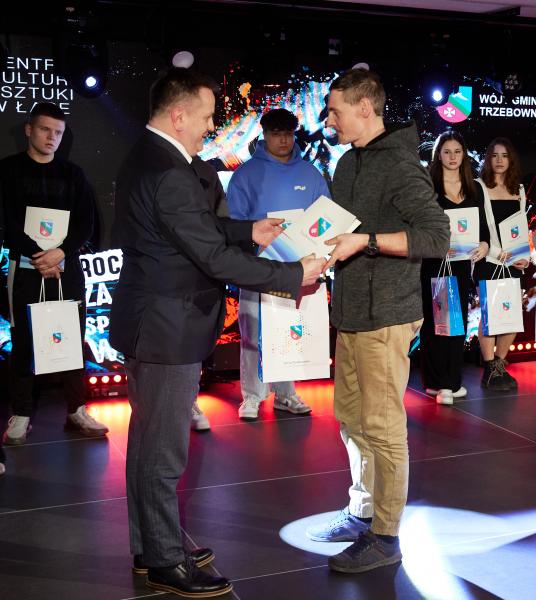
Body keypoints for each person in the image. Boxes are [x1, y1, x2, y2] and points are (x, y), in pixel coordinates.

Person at [110, 68, 324, 597]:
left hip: (154, 323)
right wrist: (292, 274)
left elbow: (196, 230)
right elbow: (210, 255)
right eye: (207, 117)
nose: (211, 126)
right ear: (179, 115)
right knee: (162, 455)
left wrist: (249, 230)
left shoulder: (152, 157)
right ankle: (166, 561)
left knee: (149, 447)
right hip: (166, 328)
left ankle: (152, 547)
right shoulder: (169, 171)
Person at [306, 68, 449, 573]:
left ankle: (386, 536)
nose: (329, 120)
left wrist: (366, 242)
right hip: (350, 313)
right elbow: (337, 230)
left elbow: (436, 237)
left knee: (384, 427)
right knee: (351, 418)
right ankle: (362, 511)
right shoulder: (348, 162)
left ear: (365, 108)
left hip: (386, 316)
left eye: (335, 110)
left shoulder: (401, 165)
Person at [0, 102, 109, 446]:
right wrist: (39, 255)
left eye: (58, 132)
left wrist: (60, 253)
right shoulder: (7, 170)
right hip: (25, 268)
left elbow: (86, 223)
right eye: (45, 129)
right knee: (22, 341)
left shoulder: (73, 174)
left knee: (72, 338)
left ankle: (77, 410)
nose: (51, 137)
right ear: (29, 130)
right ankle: (21, 414)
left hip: (66, 268)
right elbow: (6, 222)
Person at [227, 107, 331, 421]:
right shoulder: (246, 174)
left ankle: (286, 393)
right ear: (265, 135)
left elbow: (325, 216)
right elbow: (235, 223)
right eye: (276, 134)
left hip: (297, 268)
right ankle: (252, 396)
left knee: (290, 330)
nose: (283, 140)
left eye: (288, 134)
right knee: (253, 332)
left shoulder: (310, 174)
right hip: (258, 266)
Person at [420, 130, 489, 404]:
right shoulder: (428, 185)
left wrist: (484, 244)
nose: (452, 157)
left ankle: (449, 381)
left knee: (456, 322)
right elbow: (418, 224)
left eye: (457, 152)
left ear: (464, 155)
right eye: (446, 152)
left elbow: (483, 226)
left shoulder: (474, 187)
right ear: (438, 155)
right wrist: (435, 244)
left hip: (461, 265)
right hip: (434, 262)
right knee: (436, 323)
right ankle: (439, 383)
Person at [473, 138, 530, 390]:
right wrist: (497, 252)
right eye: (495, 155)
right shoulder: (478, 187)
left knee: (512, 314)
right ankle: (489, 368)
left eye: (504, 156)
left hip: (513, 262)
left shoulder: (519, 189)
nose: (499, 160)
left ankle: (499, 365)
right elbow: (477, 227)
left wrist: (522, 256)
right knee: (490, 314)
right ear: (488, 159)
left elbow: (520, 227)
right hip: (488, 259)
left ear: (511, 160)